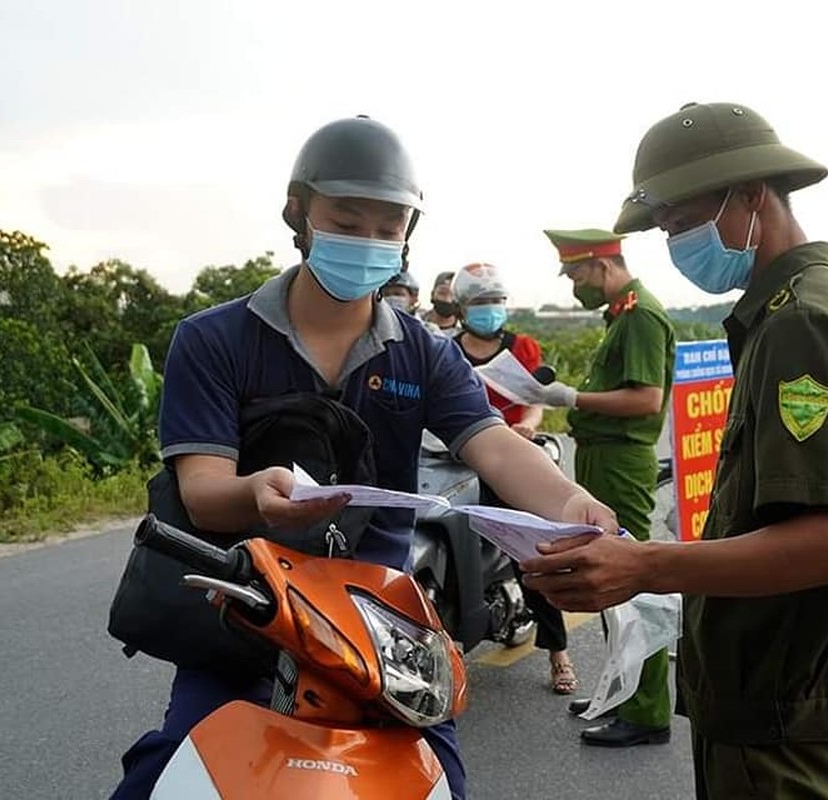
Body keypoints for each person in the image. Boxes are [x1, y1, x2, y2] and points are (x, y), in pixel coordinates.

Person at [109, 115, 617, 800]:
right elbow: (202, 491)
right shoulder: (213, 339)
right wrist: (258, 491)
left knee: (438, 781)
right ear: (300, 213)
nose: (370, 242)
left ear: (409, 234)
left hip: (376, 617)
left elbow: (491, 443)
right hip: (247, 602)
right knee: (178, 774)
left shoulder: (422, 351)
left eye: (388, 228)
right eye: (348, 221)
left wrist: (568, 503)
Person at [523, 102, 828, 799]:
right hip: (773, 697)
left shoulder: (805, 325)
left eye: (679, 222)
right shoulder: (787, 315)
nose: (673, 242)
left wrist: (648, 565)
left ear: (751, 194)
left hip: (781, 707)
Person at [533, 227, 677, 747]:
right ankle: (620, 694)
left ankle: (646, 712)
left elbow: (645, 400)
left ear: (602, 265)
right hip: (602, 458)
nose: (574, 285)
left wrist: (572, 397)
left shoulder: (640, 316)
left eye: (575, 273)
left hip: (621, 461)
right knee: (610, 583)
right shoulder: (621, 316)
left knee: (632, 585)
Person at [449, 261, 576, 695]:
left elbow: (534, 400)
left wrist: (529, 423)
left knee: (531, 550)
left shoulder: (521, 347)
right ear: (464, 307)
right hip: (453, 458)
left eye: (496, 302)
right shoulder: (445, 350)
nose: (490, 310)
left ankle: (558, 652)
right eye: (481, 303)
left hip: (512, 455)